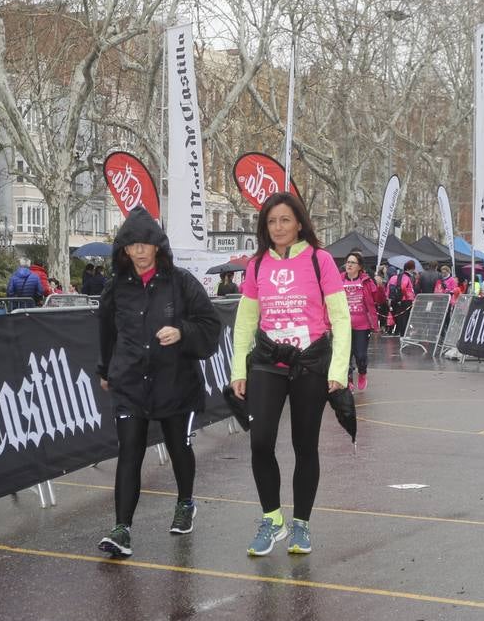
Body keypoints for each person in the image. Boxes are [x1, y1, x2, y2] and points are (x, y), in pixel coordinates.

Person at [95, 208, 222, 558]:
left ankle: (185, 502)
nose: (138, 251)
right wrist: (106, 371)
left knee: (178, 447)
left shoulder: (180, 282)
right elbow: (106, 331)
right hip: (131, 383)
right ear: (123, 249)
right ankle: (122, 529)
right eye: (131, 245)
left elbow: (211, 326)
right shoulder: (116, 288)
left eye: (145, 244)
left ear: (157, 247)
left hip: (175, 382)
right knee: (130, 452)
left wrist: (182, 331)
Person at [230, 192, 350, 557]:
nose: (278, 227)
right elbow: (245, 322)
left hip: (310, 364)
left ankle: (301, 525)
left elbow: (341, 318)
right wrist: (239, 369)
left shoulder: (320, 260)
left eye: (285, 220)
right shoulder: (256, 266)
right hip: (267, 362)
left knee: (304, 445)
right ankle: (273, 520)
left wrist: (338, 369)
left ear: (299, 222)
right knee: (260, 441)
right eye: (271, 221)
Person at [342, 251, 382, 392]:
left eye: (353, 262)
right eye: (348, 262)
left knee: (360, 355)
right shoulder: (339, 279)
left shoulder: (366, 281)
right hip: (343, 325)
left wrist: (380, 286)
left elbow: (379, 299)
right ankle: (348, 379)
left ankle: (362, 372)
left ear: (359, 266)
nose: (349, 265)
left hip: (362, 325)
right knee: (345, 355)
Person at [387, 261, 418, 334]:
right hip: (405, 300)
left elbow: (390, 288)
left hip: (398, 299)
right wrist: (407, 296)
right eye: (413, 268)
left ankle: (400, 332)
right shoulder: (406, 277)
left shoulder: (398, 276)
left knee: (400, 316)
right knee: (404, 317)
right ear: (410, 268)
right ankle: (403, 333)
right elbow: (403, 287)